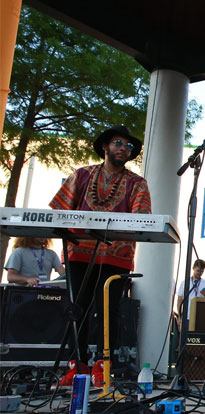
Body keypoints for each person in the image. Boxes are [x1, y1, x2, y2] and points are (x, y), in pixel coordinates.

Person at [49, 125, 151, 361]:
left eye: (129, 146)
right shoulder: (82, 175)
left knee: (109, 311)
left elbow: (143, 220)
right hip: (79, 252)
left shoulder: (137, 183)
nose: (124, 149)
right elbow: (58, 211)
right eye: (118, 143)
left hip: (117, 256)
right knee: (77, 307)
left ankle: (105, 366)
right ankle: (77, 363)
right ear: (105, 146)